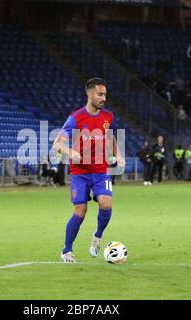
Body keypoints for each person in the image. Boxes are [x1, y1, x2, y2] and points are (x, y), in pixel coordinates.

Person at [52, 78, 125, 263]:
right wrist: (71, 152)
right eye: (100, 94)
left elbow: (111, 137)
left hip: (101, 170)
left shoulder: (108, 117)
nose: (104, 98)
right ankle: (67, 250)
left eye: (105, 95)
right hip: (80, 173)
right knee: (80, 211)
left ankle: (97, 236)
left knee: (106, 204)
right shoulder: (76, 118)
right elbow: (57, 144)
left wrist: (118, 154)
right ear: (90, 94)